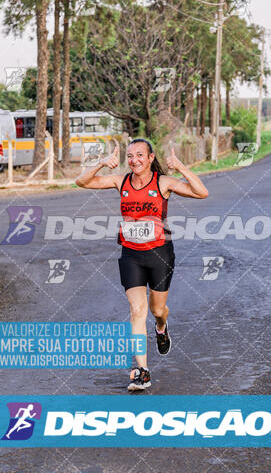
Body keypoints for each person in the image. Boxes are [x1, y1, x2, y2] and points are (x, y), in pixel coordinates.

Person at [76, 139, 209, 391]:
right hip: (131, 254)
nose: (134, 160)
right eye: (130, 155)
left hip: (159, 255)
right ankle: (143, 372)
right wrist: (101, 164)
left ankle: (161, 327)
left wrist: (180, 167)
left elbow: (201, 192)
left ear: (150, 158)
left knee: (157, 310)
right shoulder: (121, 181)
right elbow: (81, 182)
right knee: (137, 310)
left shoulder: (163, 182)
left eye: (140, 155)